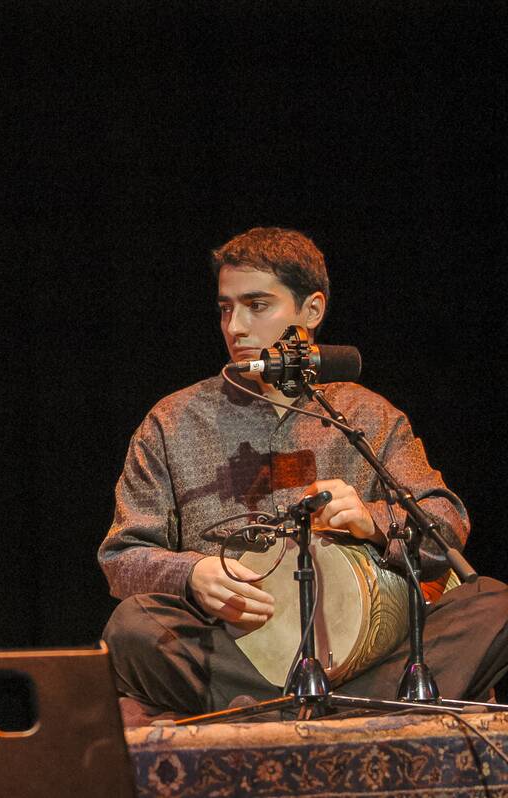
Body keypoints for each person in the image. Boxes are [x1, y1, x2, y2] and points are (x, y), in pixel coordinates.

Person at [99, 227, 508, 719]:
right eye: (226, 308)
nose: (236, 327)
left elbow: (446, 522)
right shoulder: (172, 421)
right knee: (133, 626)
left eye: (257, 305)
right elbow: (122, 556)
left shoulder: (365, 415)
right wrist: (191, 574)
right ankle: (328, 715)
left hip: (366, 655)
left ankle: (287, 713)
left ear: (311, 311)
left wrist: (374, 520)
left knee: (494, 605)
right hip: (236, 654)